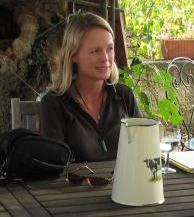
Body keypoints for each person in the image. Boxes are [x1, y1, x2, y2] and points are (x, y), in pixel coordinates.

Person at [40, 12, 141, 162]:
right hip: (76, 184)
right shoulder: (54, 103)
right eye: (95, 51)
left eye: (110, 49)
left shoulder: (124, 96)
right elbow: (53, 165)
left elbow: (143, 151)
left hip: (125, 183)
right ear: (74, 55)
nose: (105, 58)